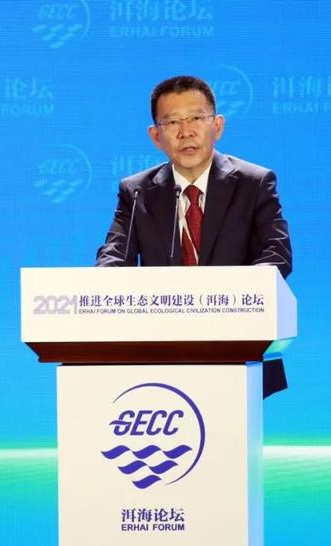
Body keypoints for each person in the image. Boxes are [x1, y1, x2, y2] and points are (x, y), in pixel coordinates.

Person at [95, 75, 292, 397]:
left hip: (237, 346)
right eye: (172, 122)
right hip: (157, 351)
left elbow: (276, 256)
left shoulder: (254, 182)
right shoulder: (137, 191)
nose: (185, 132)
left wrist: (227, 301)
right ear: (156, 136)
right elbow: (115, 256)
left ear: (217, 126)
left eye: (196, 119)